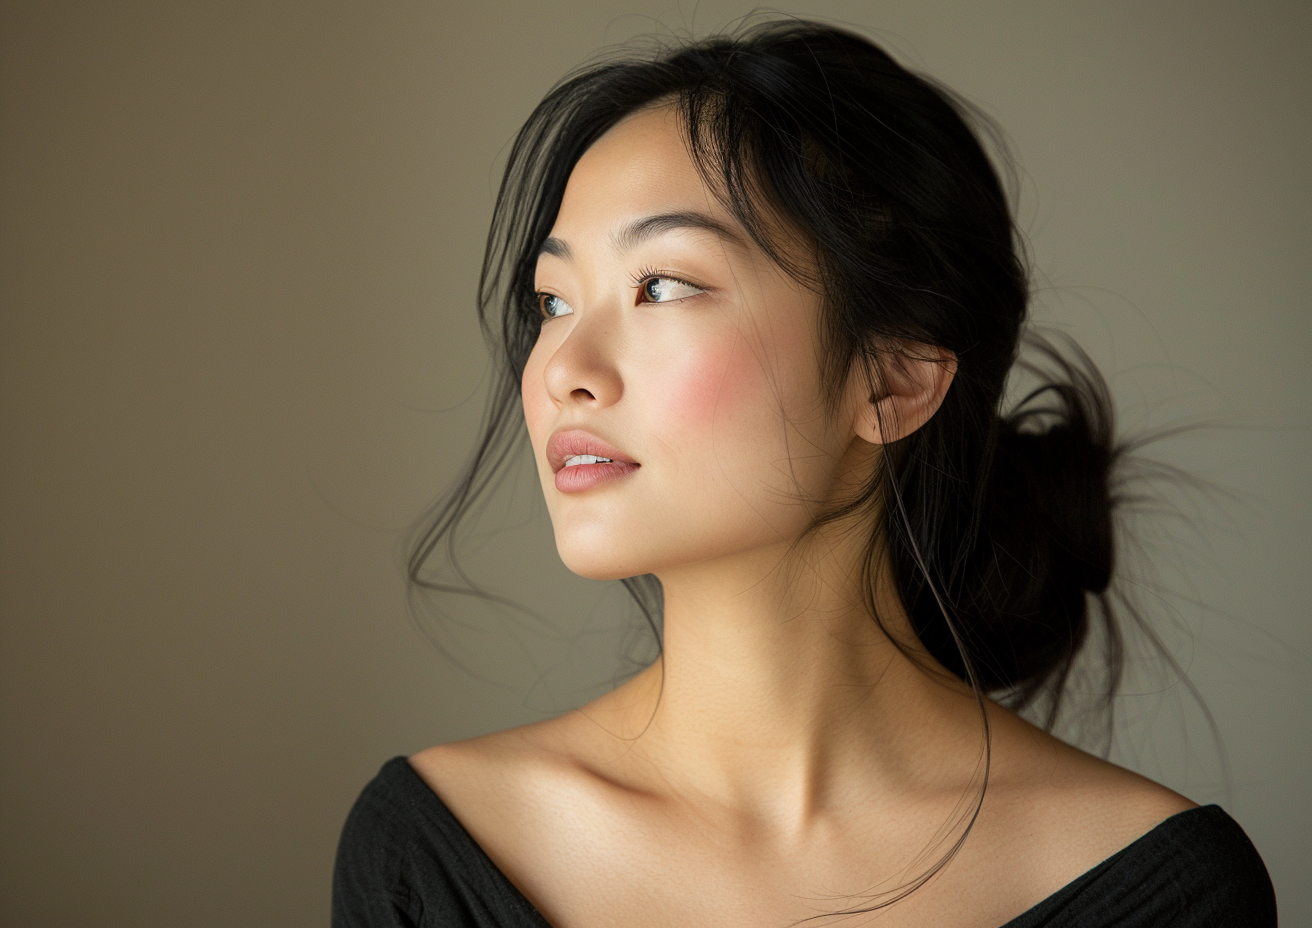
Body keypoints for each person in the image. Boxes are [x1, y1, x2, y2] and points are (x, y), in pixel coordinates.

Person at [331, 19, 1276, 928]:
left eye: (660, 285)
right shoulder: (436, 852)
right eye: (552, 298)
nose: (564, 369)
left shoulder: (1158, 887)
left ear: (895, 379)